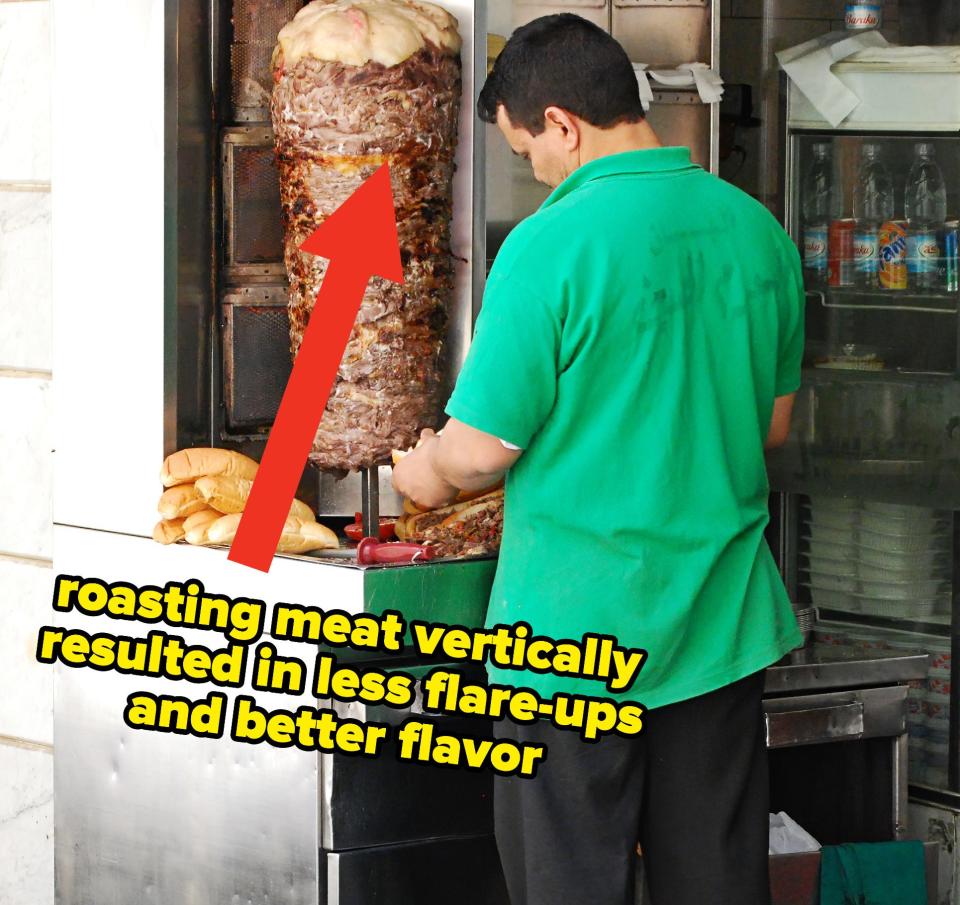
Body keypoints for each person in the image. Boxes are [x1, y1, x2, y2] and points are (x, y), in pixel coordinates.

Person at [391, 13, 804, 905]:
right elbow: (771, 428)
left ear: (564, 126)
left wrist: (417, 473)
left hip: (572, 646)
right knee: (717, 885)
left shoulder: (550, 244)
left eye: (526, 151)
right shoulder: (757, 230)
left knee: (569, 883)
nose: (534, 172)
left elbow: (476, 455)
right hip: (718, 634)